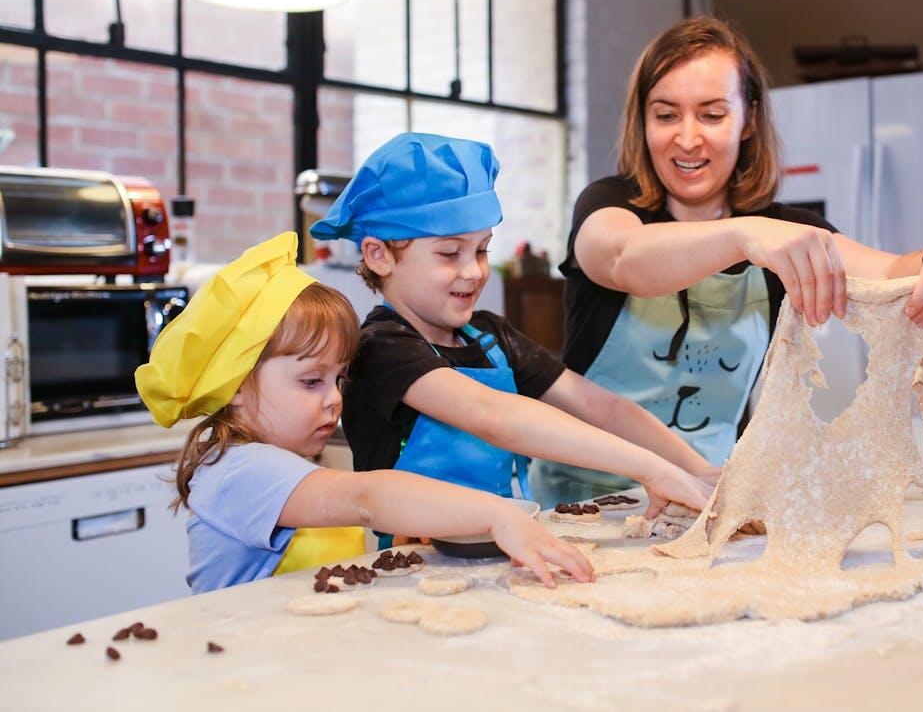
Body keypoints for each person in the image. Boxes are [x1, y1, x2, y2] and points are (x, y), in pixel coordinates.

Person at [531, 16, 923, 504]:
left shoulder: (782, 231)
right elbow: (623, 259)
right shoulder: (609, 206)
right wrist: (745, 235)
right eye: (666, 115)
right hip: (580, 505)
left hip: (705, 493)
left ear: (748, 119)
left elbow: (895, 272)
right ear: (642, 122)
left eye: (712, 115)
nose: (687, 139)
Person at [310, 133, 714, 547]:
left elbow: (602, 407)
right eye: (450, 254)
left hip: (506, 544)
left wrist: (697, 472)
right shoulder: (381, 348)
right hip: (415, 560)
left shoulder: (490, 336)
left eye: (482, 250)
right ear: (379, 255)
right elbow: (494, 416)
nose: (474, 272)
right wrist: (648, 468)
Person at [134, 232, 593, 594]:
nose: (334, 399)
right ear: (234, 387)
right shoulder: (240, 468)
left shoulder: (283, 464)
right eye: (311, 381)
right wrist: (498, 515)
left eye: (339, 379)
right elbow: (367, 497)